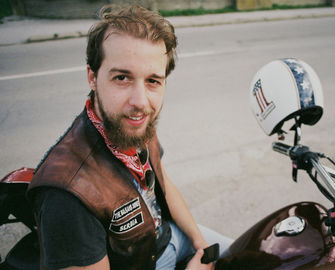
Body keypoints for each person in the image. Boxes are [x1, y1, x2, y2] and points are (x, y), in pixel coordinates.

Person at [27, 5, 231, 270]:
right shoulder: (67, 195)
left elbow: (163, 183)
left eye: (153, 81)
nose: (140, 102)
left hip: (164, 239)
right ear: (92, 76)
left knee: (258, 254)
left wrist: (199, 242)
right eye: (122, 77)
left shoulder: (133, 123)